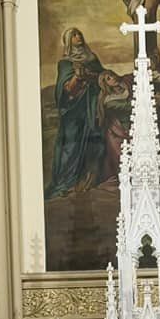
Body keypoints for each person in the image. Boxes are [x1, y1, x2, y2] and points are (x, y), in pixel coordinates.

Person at [48, 28, 111, 199]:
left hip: (91, 106)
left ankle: (87, 179)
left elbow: (102, 75)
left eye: (79, 34)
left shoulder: (92, 58)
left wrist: (100, 78)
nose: (78, 37)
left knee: (93, 140)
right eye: (74, 35)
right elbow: (63, 89)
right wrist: (77, 78)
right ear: (68, 40)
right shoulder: (65, 63)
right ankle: (65, 182)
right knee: (70, 145)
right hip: (73, 111)